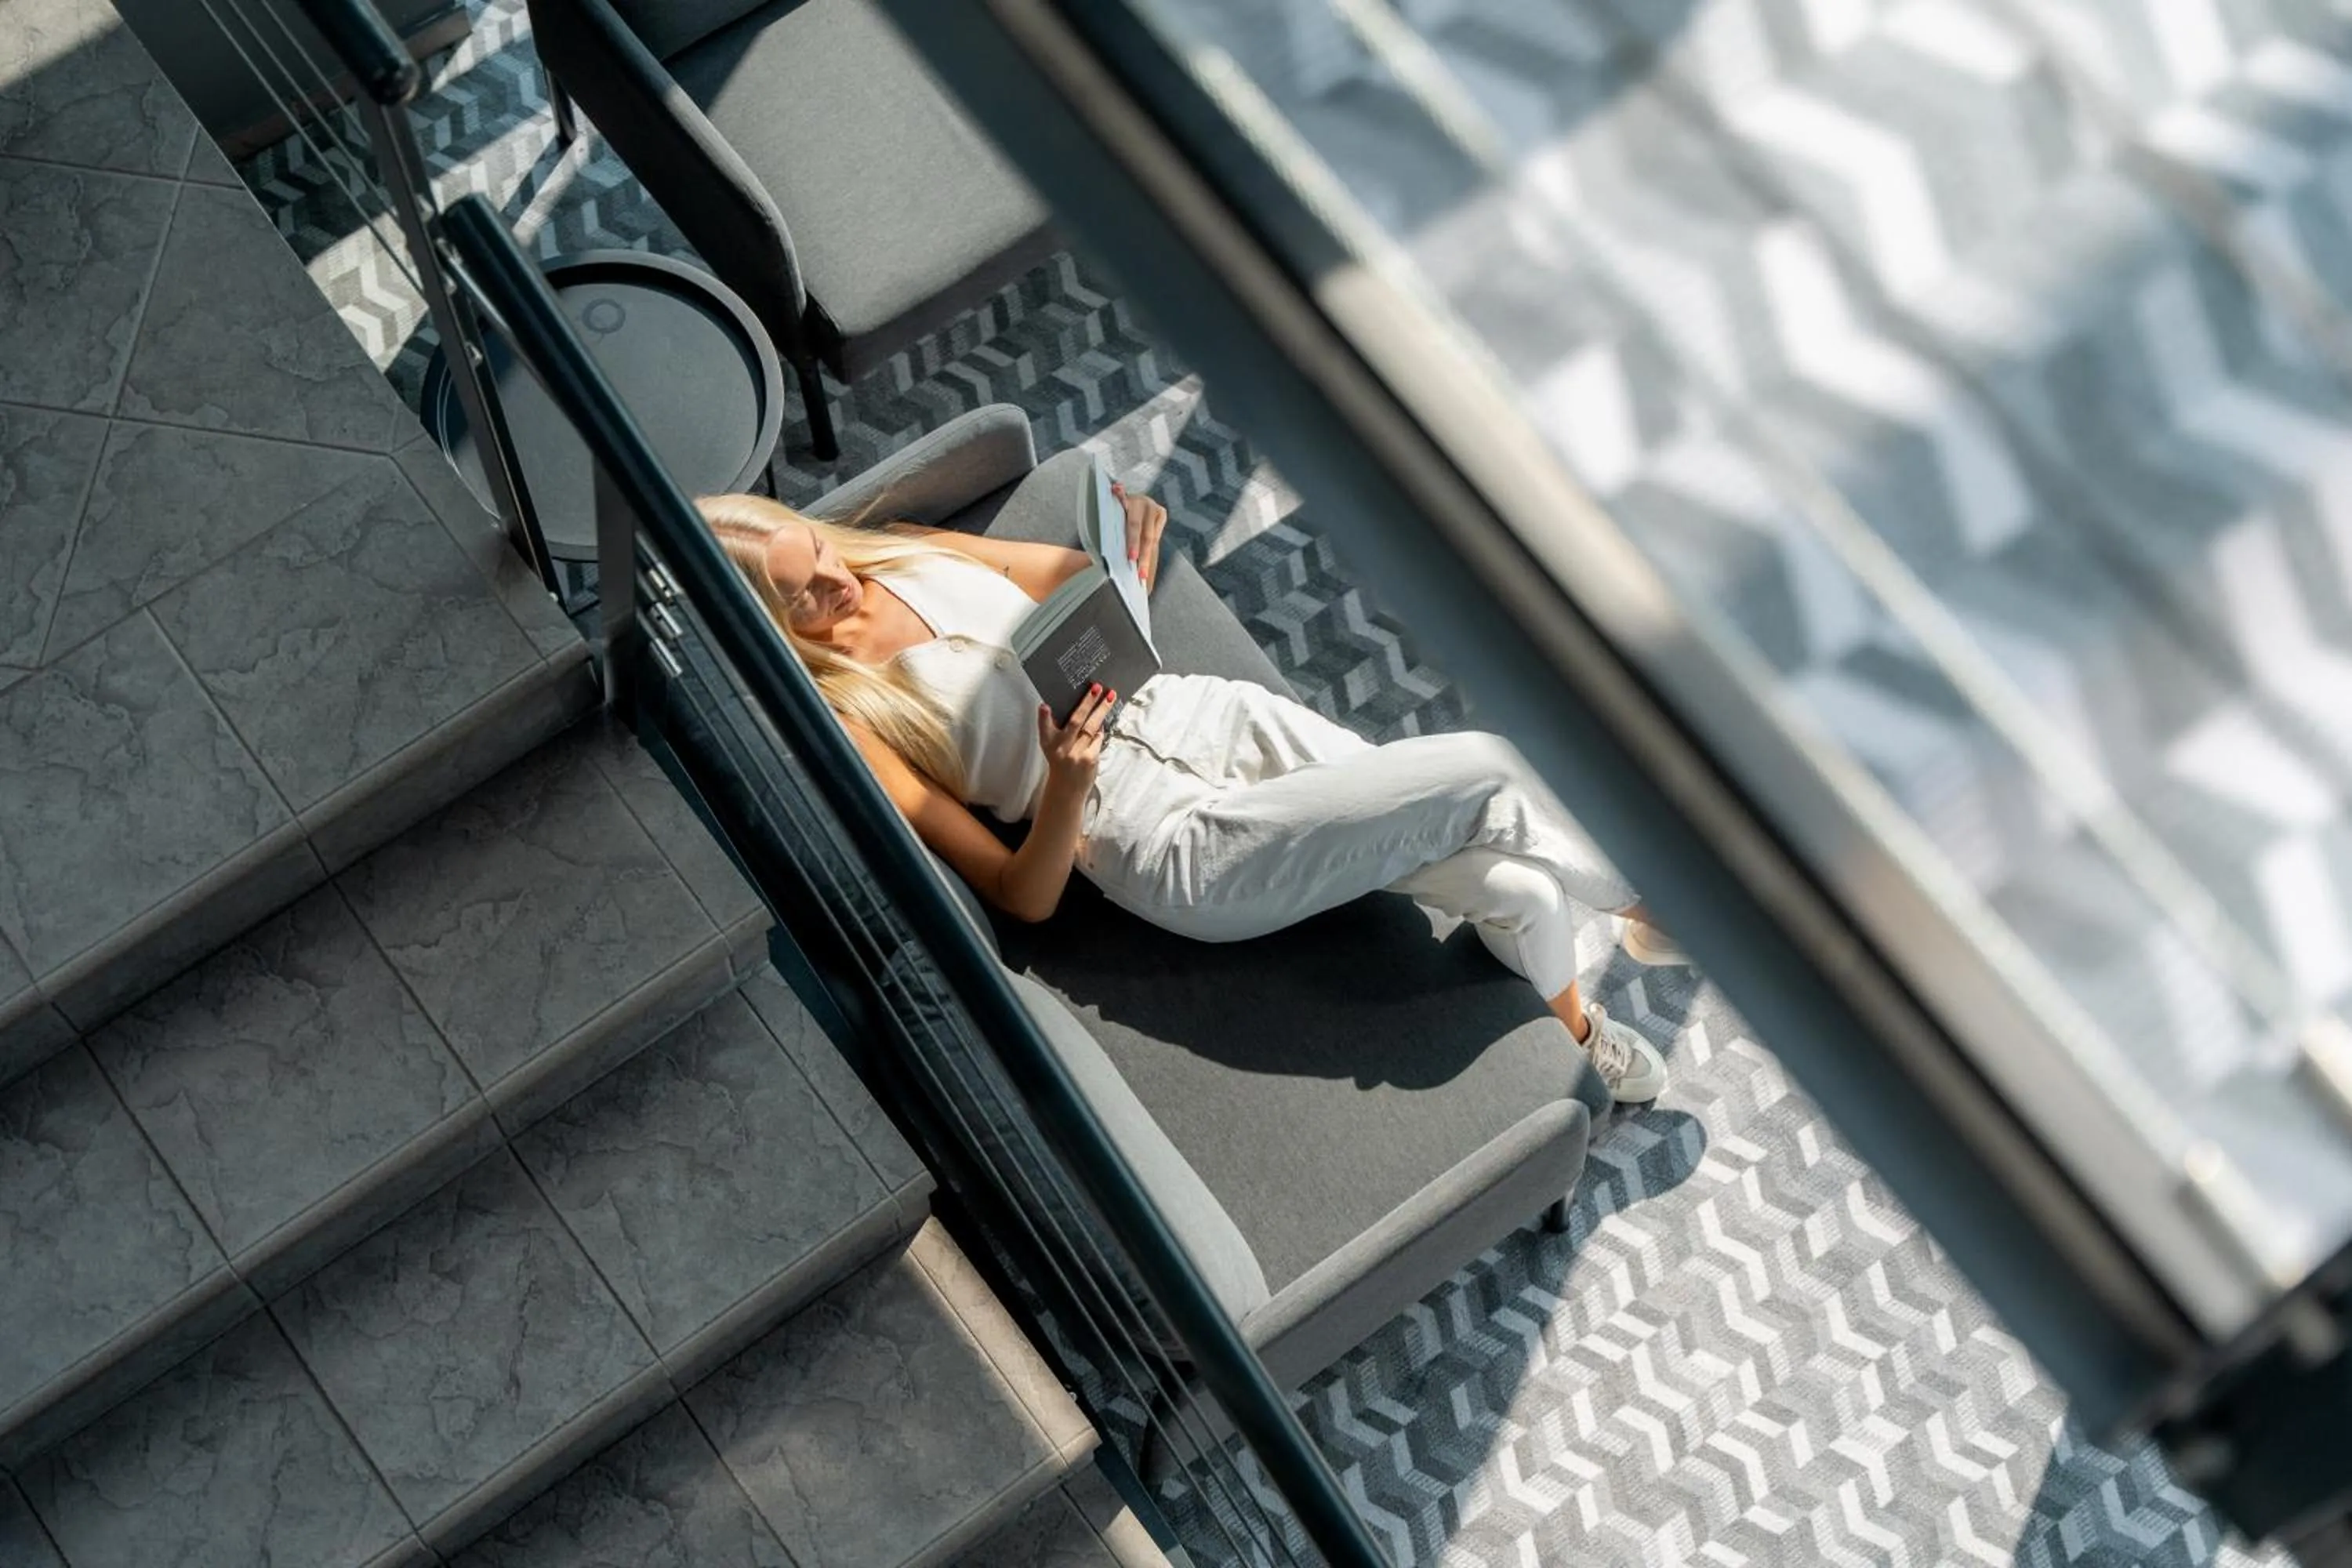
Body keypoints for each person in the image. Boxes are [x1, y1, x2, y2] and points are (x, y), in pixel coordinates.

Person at [699, 482, 1687, 1102]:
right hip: (1160, 838)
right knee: (1486, 764)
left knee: (1525, 890)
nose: (837, 581)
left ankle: (1580, 1037)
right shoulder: (853, 721)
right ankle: (1656, 905)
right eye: (803, 594)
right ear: (768, 623)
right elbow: (1021, 895)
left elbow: (1072, 580)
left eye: (818, 550)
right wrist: (1065, 783)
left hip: (1209, 715)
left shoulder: (900, 549)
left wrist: (1121, 549)